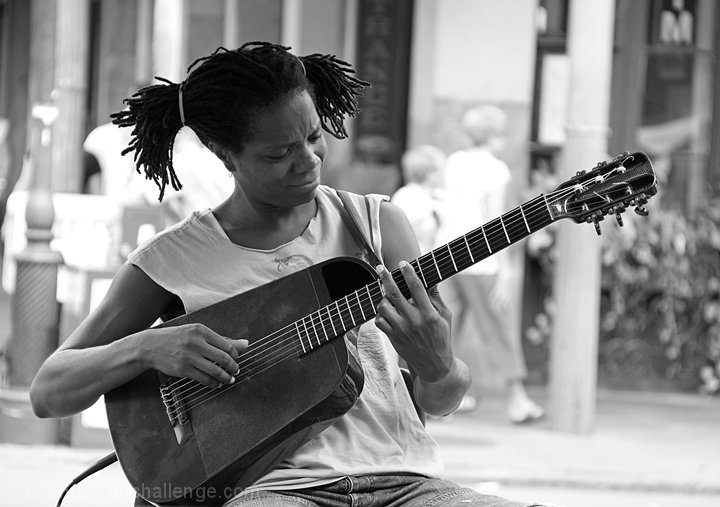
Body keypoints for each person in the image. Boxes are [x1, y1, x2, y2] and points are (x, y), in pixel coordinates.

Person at [30, 42, 546, 507]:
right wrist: (147, 347)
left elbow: (440, 400)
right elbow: (49, 391)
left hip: (407, 483)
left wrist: (437, 367)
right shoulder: (169, 261)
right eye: (278, 153)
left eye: (314, 137)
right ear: (222, 154)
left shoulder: (377, 226)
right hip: (272, 492)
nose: (308, 162)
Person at [439, 105, 544, 424]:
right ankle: (517, 400)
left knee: (443, 329)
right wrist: (507, 272)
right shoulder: (497, 170)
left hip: (444, 253)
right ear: (493, 135)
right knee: (497, 331)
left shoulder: (454, 161)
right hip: (481, 259)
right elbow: (498, 224)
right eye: (502, 132)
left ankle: (440, 402)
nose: (505, 138)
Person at [390, 145, 446, 254]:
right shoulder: (406, 196)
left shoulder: (439, 195)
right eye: (437, 170)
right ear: (425, 172)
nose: (441, 175)